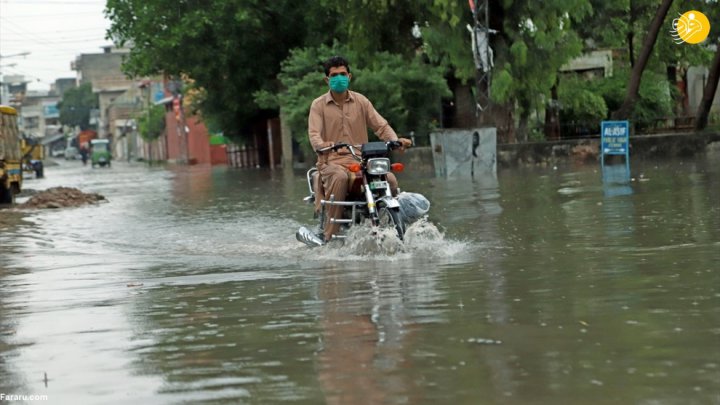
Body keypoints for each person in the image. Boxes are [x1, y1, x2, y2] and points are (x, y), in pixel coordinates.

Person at [308, 56, 412, 242]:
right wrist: (323, 145)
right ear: (327, 79)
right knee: (340, 178)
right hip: (331, 161)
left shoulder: (361, 101)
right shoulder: (318, 105)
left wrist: (395, 141)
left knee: (391, 179)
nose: (339, 78)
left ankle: (394, 225)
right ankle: (329, 235)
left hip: (361, 160)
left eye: (342, 74)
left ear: (349, 76)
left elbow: (381, 126)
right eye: (334, 75)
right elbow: (314, 134)